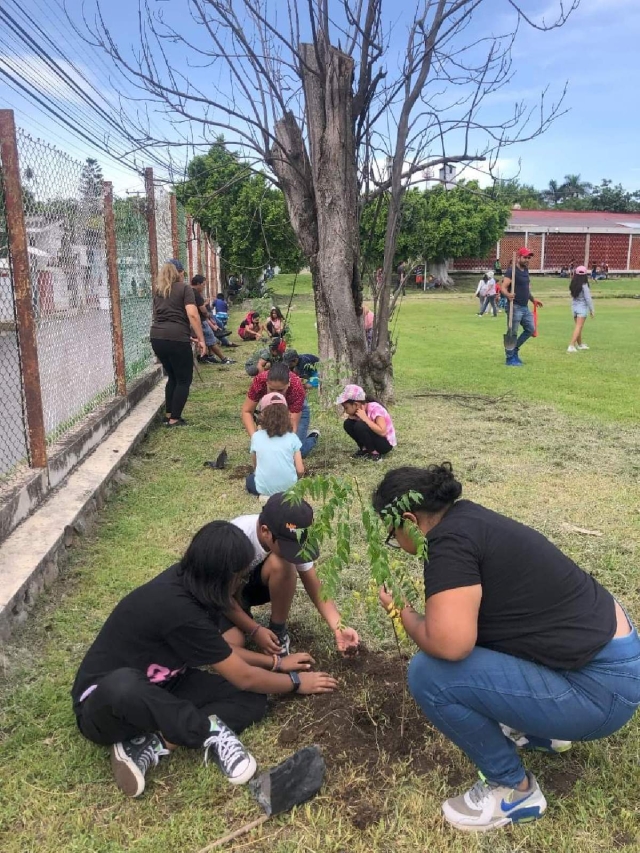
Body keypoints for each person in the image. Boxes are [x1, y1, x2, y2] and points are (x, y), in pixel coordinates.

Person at [373, 464, 640, 833]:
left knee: (429, 674)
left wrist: (401, 612)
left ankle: (514, 790)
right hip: (615, 661)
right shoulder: (469, 518)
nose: (396, 544)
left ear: (408, 519)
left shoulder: (447, 544)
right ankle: (541, 730)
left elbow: (449, 644)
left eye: (392, 534)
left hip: (599, 691)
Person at [71, 521, 338, 798]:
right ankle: (208, 731)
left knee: (253, 700)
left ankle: (154, 743)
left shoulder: (196, 584)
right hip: (106, 707)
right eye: (240, 577)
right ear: (222, 577)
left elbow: (224, 656)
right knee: (123, 684)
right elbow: (243, 676)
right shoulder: (178, 608)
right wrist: (295, 682)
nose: (242, 583)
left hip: (166, 682)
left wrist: (276, 664)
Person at [226, 494, 359, 656]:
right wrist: (255, 630)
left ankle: (277, 631)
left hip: (248, 587)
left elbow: (313, 582)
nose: (296, 553)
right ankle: (241, 613)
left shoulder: (289, 537)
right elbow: (219, 596)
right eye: (289, 547)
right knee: (234, 642)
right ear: (265, 531)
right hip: (221, 594)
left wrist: (339, 626)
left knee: (283, 563)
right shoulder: (236, 538)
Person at [150, 259, 205, 427]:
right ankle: (175, 419)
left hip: (157, 337)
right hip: (176, 337)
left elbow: (162, 316)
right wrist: (201, 339)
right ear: (178, 273)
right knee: (183, 379)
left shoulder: (159, 291)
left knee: (172, 376)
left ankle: (168, 415)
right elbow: (193, 314)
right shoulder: (185, 288)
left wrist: (184, 335)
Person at [241, 363, 319, 458]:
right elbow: (247, 411)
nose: (276, 394)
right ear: (266, 383)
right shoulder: (260, 381)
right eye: (271, 389)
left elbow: (292, 428)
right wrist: (255, 439)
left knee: (295, 452)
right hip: (269, 409)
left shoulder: (297, 388)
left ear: (288, 383)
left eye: (281, 390)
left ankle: (312, 436)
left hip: (294, 410)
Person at [246, 392, 304, 496]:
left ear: (262, 414)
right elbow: (300, 470)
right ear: (286, 414)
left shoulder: (256, 437)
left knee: (250, 479)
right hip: (290, 488)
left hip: (263, 489)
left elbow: (256, 466)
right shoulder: (292, 438)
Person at [500, 247, 544, 367]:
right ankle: (510, 358)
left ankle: (514, 349)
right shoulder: (511, 271)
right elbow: (503, 287)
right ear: (519, 257)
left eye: (528, 258)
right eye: (525, 257)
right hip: (515, 307)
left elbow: (526, 289)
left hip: (525, 307)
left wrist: (533, 299)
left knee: (530, 329)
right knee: (512, 332)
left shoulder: (525, 271)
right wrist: (508, 294)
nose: (527, 259)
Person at [336, 384, 397, 461]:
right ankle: (365, 449)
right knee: (348, 423)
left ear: (356, 404)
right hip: (375, 438)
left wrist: (365, 419)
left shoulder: (376, 409)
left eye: (346, 408)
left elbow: (383, 432)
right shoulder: (360, 411)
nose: (345, 411)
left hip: (385, 444)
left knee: (360, 426)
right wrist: (355, 418)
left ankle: (375, 453)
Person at [191, 276, 235, 365]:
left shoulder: (188, 292)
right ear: (198, 284)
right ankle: (224, 359)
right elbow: (203, 309)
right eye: (203, 285)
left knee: (208, 339)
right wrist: (208, 315)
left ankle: (207, 356)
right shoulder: (195, 293)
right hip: (200, 321)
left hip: (196, 321)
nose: (204, 287)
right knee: (211, 340)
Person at [567, 265, 594, 353]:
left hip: (574, 307)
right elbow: (588, 298)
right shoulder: (584, 285)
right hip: (582, 308)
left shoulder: (573, 284)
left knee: (578, 327)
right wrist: (591, 310)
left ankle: (580, 344)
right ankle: (571, 345)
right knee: (579, 327)